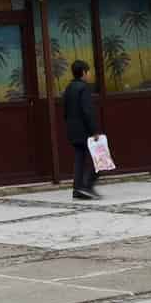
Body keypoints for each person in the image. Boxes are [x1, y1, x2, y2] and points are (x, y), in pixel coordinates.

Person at [62, 59, 101, 200]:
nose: (89, 74)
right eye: (88, 71)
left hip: (73, 130)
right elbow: (87, 111)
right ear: (84, 72)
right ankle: (86, 186)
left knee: (79, 159)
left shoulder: (69, 88)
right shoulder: (84, 88)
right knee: (100, 158)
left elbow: (65, 111)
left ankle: (77, 189)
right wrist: (94, 130)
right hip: (85, 130)